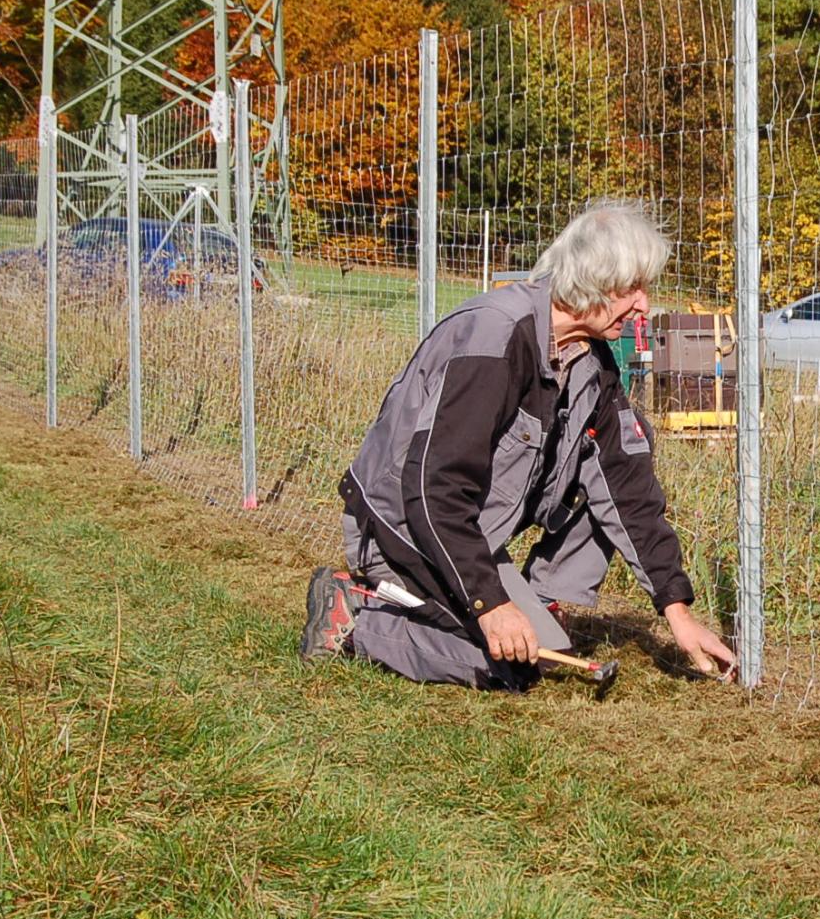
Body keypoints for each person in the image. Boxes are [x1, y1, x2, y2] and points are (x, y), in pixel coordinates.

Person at [302, 201, 736, 690]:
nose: (644, 304)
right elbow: (432, 488)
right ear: (592, 281)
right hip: (398, 527)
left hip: (464, 529)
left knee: (547, 648)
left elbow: (628, 488)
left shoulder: (591, 362)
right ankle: (356, 619)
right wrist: (490, 606)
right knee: (512, 667)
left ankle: (536, 605)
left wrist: (677, 612)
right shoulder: (493, 338)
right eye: (631, 288)